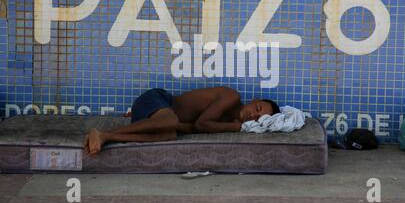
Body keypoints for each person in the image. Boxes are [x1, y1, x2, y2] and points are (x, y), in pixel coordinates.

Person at [84, 87, 280, 156]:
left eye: (257, 119)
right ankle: (102, 133)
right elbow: (201, 125)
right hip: (157, 100)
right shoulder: (232, 97)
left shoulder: (226, 121)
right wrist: (240, 127)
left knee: (169, 133)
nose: (252, 116)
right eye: (257, 109)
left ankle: (107, 137)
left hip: (158, 118)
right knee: (169, 121)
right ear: (254, 100)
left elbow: (189, 127)